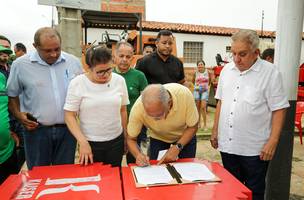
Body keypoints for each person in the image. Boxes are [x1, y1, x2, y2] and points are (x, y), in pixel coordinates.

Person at [210, 29, 289, 200]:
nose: (237, 59)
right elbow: (221, 102)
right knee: (231, 190)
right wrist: (215, 130)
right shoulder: (226, 71)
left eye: (243, 54)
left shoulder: (270, 73)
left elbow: (279, 109)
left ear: (256, 53)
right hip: (228, 146)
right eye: (234, 54)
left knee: (254, 192)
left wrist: (272, 142)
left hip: (255, 149)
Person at [7, 27, 82, 170]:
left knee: (64, 176)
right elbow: (12, 95)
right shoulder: (20, 65)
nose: (54, 54)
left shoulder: (73, 62)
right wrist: (18, 115)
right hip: (36, 132)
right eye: (48, 51)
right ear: (35, 47)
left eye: (57, 49)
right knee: (37, 176)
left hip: (68, 132)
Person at [64, 45, 129, 167]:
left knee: (113, 178)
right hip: (90, 143)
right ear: (88, 68)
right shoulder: (78, 83)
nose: (105, 75)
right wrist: (82, 142)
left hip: (116, 141)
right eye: (100, 72)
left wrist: (125, 136)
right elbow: (69, 115)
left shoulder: (119, 81)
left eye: (109, 70)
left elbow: (123, 110)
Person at [127, 83, 199, 166]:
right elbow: (131, 139)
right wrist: (138, 155)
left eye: (158, 115)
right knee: (157, 169)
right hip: (158, 137)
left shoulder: (184, 95)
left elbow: (193, 127)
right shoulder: (138, 108)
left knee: (186, 168)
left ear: (169, 103)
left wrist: (177, 147)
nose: (155, 119)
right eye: (150, 115)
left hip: (184, 135)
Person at [113, 41, 148, 164]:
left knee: (134, 161)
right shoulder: (108, 75)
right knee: (114, 161)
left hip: (135, 125)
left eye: (128, 57)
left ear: (132, 58)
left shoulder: (139, 76)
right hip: (114, 126)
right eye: (121, 56)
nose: (124, 59)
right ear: (115, 56)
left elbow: (146, 100)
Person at [0, 45, 18, 184]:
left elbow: (6, 105)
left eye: (5, 53)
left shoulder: (3, 77)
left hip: (6, 152)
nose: (3, 57)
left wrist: (8, 130)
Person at [193, 60, 210, 130]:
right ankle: (198, 123)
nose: (200, 66)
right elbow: (192, 81)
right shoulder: (195, 73)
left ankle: (205, 125)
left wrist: (205, 87)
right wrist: (197, 86)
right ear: (197, 66)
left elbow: (210, 81)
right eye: (199, 65)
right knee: (197, 108)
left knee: (203, 107)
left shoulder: (207, 72)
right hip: (197, 91)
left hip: (205, 91)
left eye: (201, 64)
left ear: (204, 65)